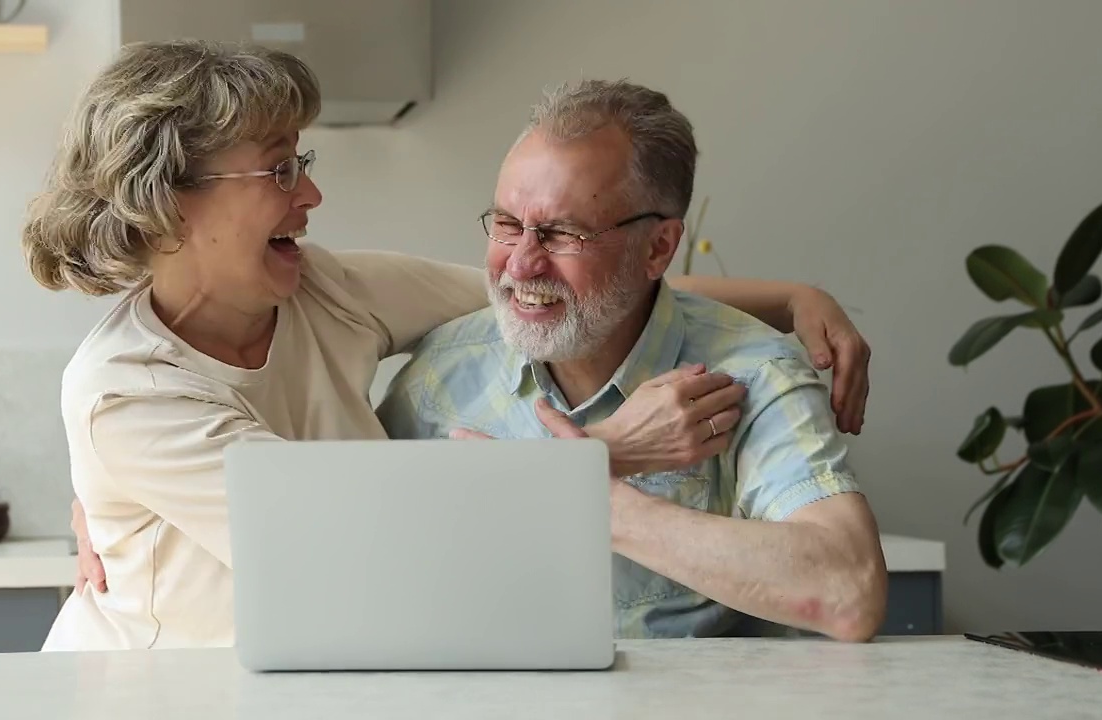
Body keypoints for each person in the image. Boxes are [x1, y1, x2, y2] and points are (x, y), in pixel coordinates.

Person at [24, 39, 872, 651]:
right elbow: (349, 537)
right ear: (171, 205)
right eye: (279, 169)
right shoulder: (126, 394)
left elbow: (547, 294)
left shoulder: (325, 288)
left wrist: (790, 297)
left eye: (303, 160)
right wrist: (598, 460)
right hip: (162, 693)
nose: (312, 192)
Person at [376, 78, 887, 642]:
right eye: (506, 224)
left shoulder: (753, 375)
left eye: (562, 233)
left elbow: (849, 590)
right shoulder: (439, 376)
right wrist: (574, 470)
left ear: (659, 248)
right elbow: (362, 559)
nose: (520, 265)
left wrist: (601, 504)